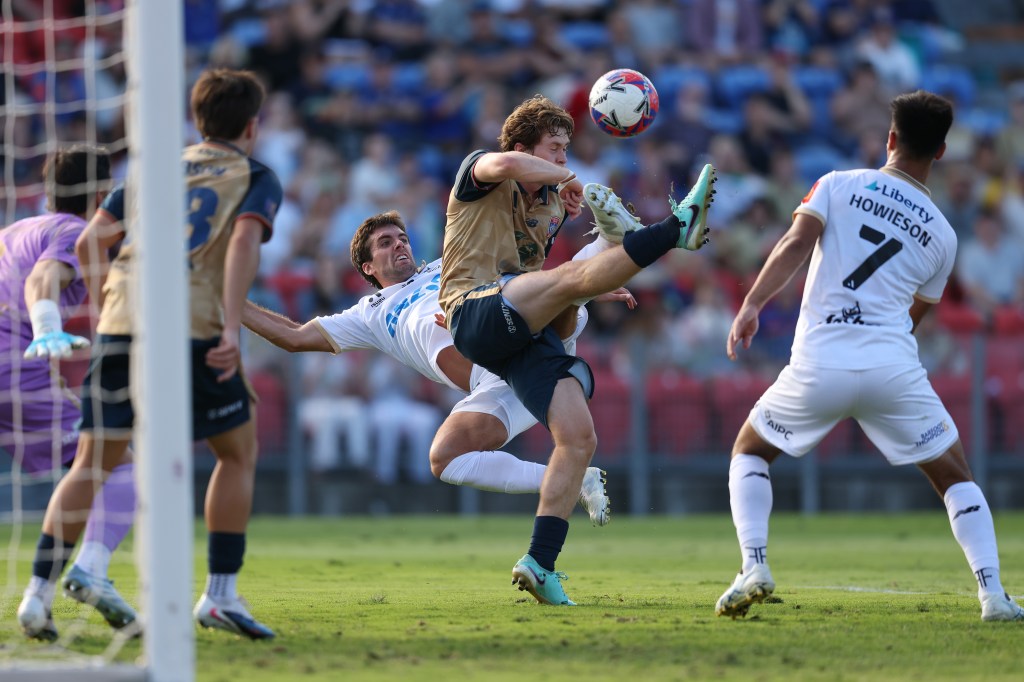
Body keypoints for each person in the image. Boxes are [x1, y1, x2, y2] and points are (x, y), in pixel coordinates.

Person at [715, 90, 1024, 622]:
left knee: (750, 451)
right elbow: (915, 314)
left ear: (890, 139)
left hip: (819, 361)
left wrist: (752, 304)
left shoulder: (837, 184)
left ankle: (754, 565)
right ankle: (993, 594)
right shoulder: (944, 235)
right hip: (892, 367)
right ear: (941, 151)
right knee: (956, 478)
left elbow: (794, 244)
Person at [18, 68, 282, 641]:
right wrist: (230, 328)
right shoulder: (255, 175)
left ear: (197, 120)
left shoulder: (151, 170)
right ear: (251, 127)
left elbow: (90, 241)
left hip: (122, 326)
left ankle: (36, 595)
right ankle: (220, 595)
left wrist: (110, 306)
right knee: (237, 451)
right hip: (193, 325)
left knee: (92, 464)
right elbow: (242, 241)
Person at [437, 94, 716, 605]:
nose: (563, 158)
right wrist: (569, 179)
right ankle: (676, 228)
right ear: (525, 147)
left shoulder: (550, 206)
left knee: (579, 438)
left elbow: (531, 279)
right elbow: (507, 165)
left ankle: (539, 563)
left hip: (519, 327)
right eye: (555, 148)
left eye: (566, 149)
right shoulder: (482, 171)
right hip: (472, 311)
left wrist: (584, 283)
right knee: (570, 279)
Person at [241, 209, 616, 524]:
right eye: (385, 242)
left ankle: (603, 252)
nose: (399, 244)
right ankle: (575, 480)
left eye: (402, 238)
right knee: (445, 457)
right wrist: (233, 303)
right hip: (500, 381)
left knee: (544, 288)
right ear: (368, 267)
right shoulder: (368, 314)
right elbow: (293, 337)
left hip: (518, 336)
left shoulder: (447, 264)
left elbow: (515, 277)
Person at [9, 146, 137, 641]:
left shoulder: (16, 231)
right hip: (15, 369)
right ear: (103, 194)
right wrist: (45, 326)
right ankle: (79, 576)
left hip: (21, 369)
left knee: (86, 466)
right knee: (115, 465)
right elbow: (43, 279)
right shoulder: (70, 232)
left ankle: (43, 598)